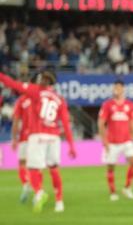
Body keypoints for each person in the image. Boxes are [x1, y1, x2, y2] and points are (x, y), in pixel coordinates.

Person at [0, 70, 76, 213]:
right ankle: (59, 202)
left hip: (38, 136)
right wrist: (72, 146)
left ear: (43, 81)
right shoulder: (59, 98)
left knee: (33, 169)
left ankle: (39, 193)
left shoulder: (36, 91)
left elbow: (12, 83)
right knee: (54, 169)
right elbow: (65, 124)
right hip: (54, 137)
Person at [98, 79, 133, 200]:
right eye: (115, 87)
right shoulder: (108, 105)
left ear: (123, 89)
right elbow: (101, 123)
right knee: (110, 167)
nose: (116, 89)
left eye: (119, 87)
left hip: (127, 140)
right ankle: (112, 192)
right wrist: (104, 140)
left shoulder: (130, 105)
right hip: (112, 142)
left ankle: (127, 187)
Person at [11, 81, 34, 203]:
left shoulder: (20, 101)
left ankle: (26, 184)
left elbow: (15, 121)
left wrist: (14, 138)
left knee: (22, 163)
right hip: (37, 136)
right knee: (35, 166)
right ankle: (37, 190)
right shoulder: (37, 98)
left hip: (25, 137)